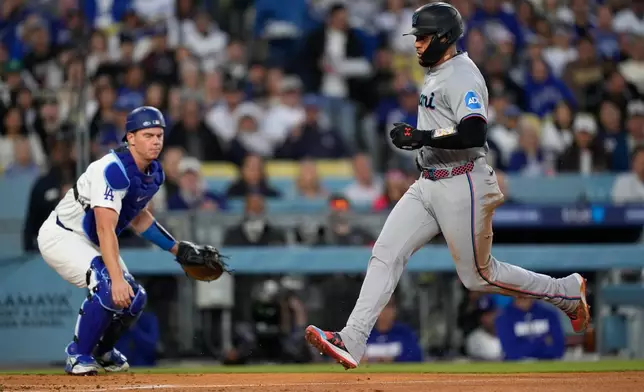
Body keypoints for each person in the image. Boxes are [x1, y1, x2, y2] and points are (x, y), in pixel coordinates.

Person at [304, 2, 590, 370]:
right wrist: (422, 137)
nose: (417, 44)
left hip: (463, 182)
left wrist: (421, 135)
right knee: (385, 252)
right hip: (429, 182)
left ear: (444, 37)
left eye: (423, 37)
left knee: (479, 276)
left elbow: (474, 131)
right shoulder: (439, 71)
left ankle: (565, 292)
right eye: (417, 37)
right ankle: (352, 339)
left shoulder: (462, 75)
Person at [36, 106, 223, 375]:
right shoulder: (112, 170)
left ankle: (103, 351)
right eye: (148, 135)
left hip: (92, 238)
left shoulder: (153, 173)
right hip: (62, 234)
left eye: (159, 135)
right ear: (131, 138)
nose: (156, 141)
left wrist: (176, 248)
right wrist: (116, 276)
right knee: (111, 284)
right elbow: (104, 228)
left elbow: (137, 218)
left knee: (135, 298)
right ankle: (77, 355)